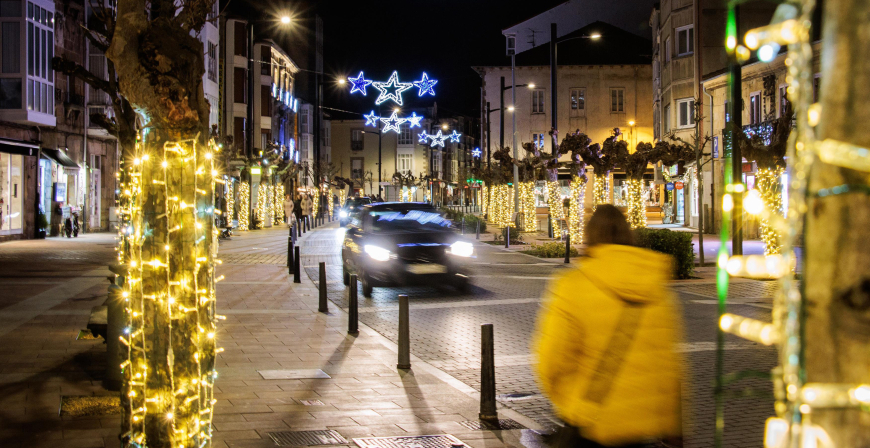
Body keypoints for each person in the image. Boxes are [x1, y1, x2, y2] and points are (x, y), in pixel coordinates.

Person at [533, 204, 683, 448]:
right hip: (641, 427)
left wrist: (569, 402)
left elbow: (550, 361)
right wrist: (674, 424)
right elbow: (670, 364)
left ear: (589, 236)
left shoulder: (572, 286)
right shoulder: (657, 287)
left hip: (591, 424)